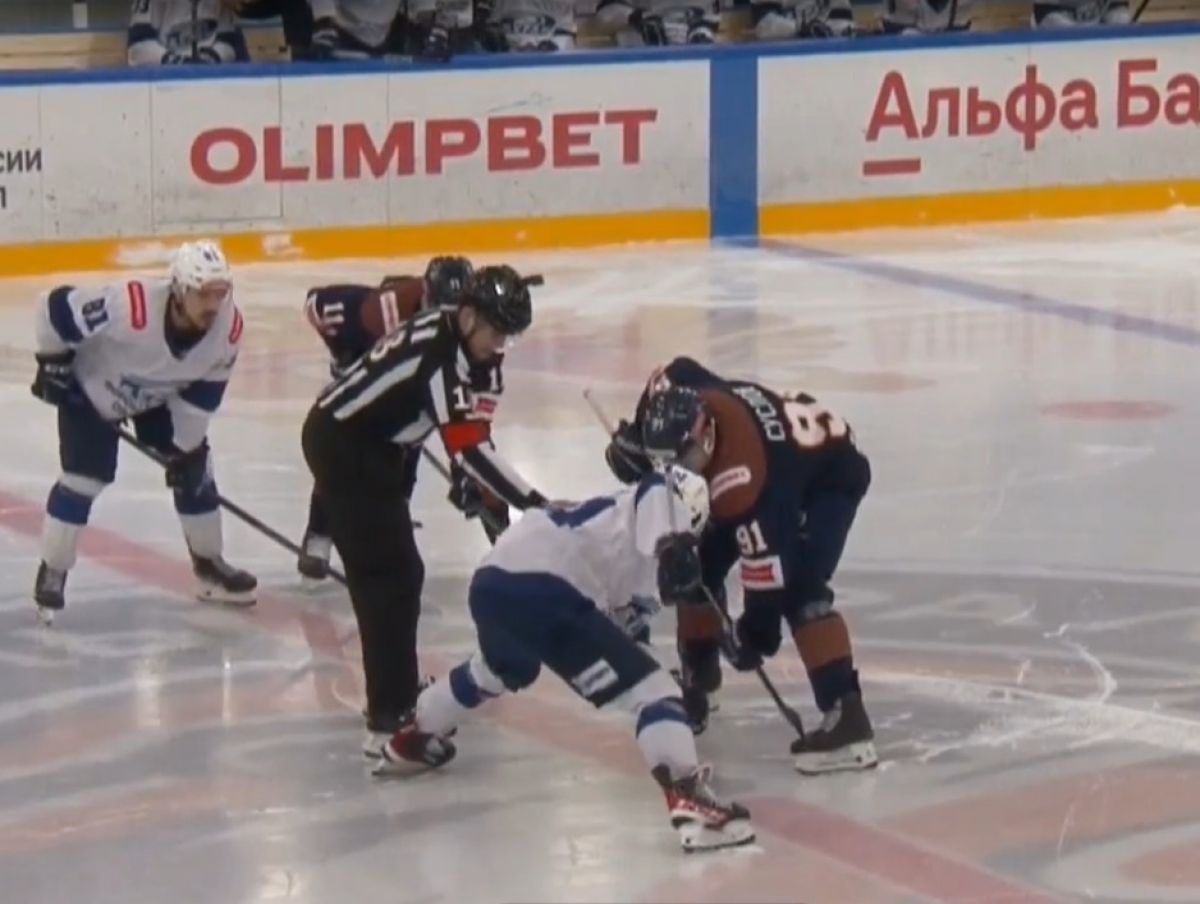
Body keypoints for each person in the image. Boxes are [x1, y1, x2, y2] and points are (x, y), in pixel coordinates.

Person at [375, 466, 756, 852]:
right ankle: (691, 802)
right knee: (655, 694)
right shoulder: (656, 508)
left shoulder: (614, 536)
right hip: (548, 590)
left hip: (492, 585)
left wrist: (675, 683)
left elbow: (624, 640)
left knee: (495, 671)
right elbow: (660, 488)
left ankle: (412, 739)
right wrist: (672, 544)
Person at [301, 265, 549, 754]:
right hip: (345, 446)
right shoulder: (439, 354)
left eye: (509, 336)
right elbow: (469, 447)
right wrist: (533, 502)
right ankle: (388, 717)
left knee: (398, 575)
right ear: (469, 316)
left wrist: (474, 482)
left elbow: (474, 434)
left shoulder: (474, 352)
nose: (500, 345)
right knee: (387, 577)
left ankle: (395, 688)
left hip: (378, 446)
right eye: (497, 332)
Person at [604, 358, 876, 774]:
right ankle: (700, 680)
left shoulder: (745, 484)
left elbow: (768, 574)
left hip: (827, 478)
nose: (675, 474)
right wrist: (634, 439)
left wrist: (752, 637)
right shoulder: (685, 397)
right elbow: (674, 368)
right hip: (780, 454)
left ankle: (848, 718)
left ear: (707, 436)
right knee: (696, 563)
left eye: (683, 461)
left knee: (803, 590)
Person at [30, 240, 256, 624]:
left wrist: (184, 452)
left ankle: (208, 566)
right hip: (94, 392)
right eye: (203, 294)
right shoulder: (130, 306)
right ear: (179, 290)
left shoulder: (228, 330)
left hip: (161, 398)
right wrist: (54, 362)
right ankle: (53, 568)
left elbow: (202, 398)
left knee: (196, 471)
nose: (213, 305)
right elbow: (52, 309)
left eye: (220, 293)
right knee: (84, 479)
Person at [296, 256, 508, 582]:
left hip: (419, 398)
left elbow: (474, 432)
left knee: (410, 453)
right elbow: (317, 304)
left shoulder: (480, 342)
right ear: (425, 297)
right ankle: (319, 533)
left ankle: (394, 523)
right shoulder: (383, 310)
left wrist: (467, 472)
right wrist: (347, 358)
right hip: (371, 397)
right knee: (343, 456)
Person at [127, 0, 250, 65]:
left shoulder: (224, 2)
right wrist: (174, 61)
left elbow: (230, 44)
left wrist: (209, 59)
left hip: (211, 78)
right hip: (164, 81)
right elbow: (138, 48)